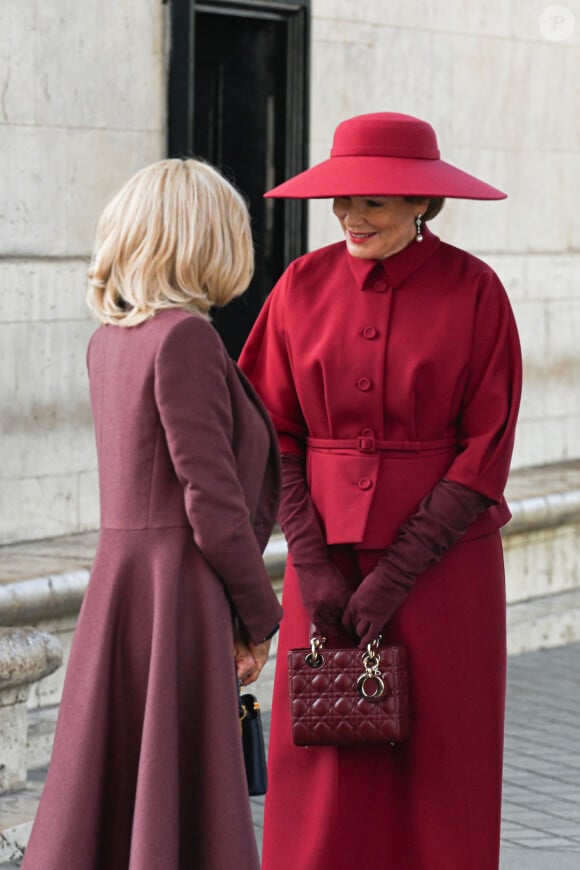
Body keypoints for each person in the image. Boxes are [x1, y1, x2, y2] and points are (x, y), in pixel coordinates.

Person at [238, 112, 522, 870]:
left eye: (374, 202)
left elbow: (485, 448)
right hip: (323, 562)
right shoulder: (300, 285)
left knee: (441, 769)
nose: (350, 217)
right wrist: (313, 560)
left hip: (445, 575)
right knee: (325, 769)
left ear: (422, 204)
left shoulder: (476, 292)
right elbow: (271, 435)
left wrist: (397, 573)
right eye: (342, 200)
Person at [22, 158, 283, 870]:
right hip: (180, 590)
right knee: (178, 792)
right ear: (204, 241)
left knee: (112, 793)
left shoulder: (111, 342)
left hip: (124, 586)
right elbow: (212, 501)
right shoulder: (185, 339)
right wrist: (261, 616)